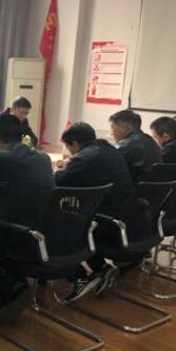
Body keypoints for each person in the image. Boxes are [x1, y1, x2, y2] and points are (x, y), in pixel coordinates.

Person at [0, 114, 54, 324]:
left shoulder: (1, 159)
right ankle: (14, 284)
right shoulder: (43, 158)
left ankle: (12, 289)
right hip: (46, 236)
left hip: (20, 237)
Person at [55, 122, 136, 301]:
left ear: (75, 144)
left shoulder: (86, 157)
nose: (70, 152)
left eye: (69, 147)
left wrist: (58, 169)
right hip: (127, 218)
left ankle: (81, 276)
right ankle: (102, 269)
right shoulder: (109, 150)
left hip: (107, 222)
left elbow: (58, 181)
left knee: (57, 225)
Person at [109, 109, 161, 182]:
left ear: (124, 127)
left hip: (136, 187)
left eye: (113, 129)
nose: (111, 133)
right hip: (155, 186)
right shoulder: (150, 140)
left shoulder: (125, 146)